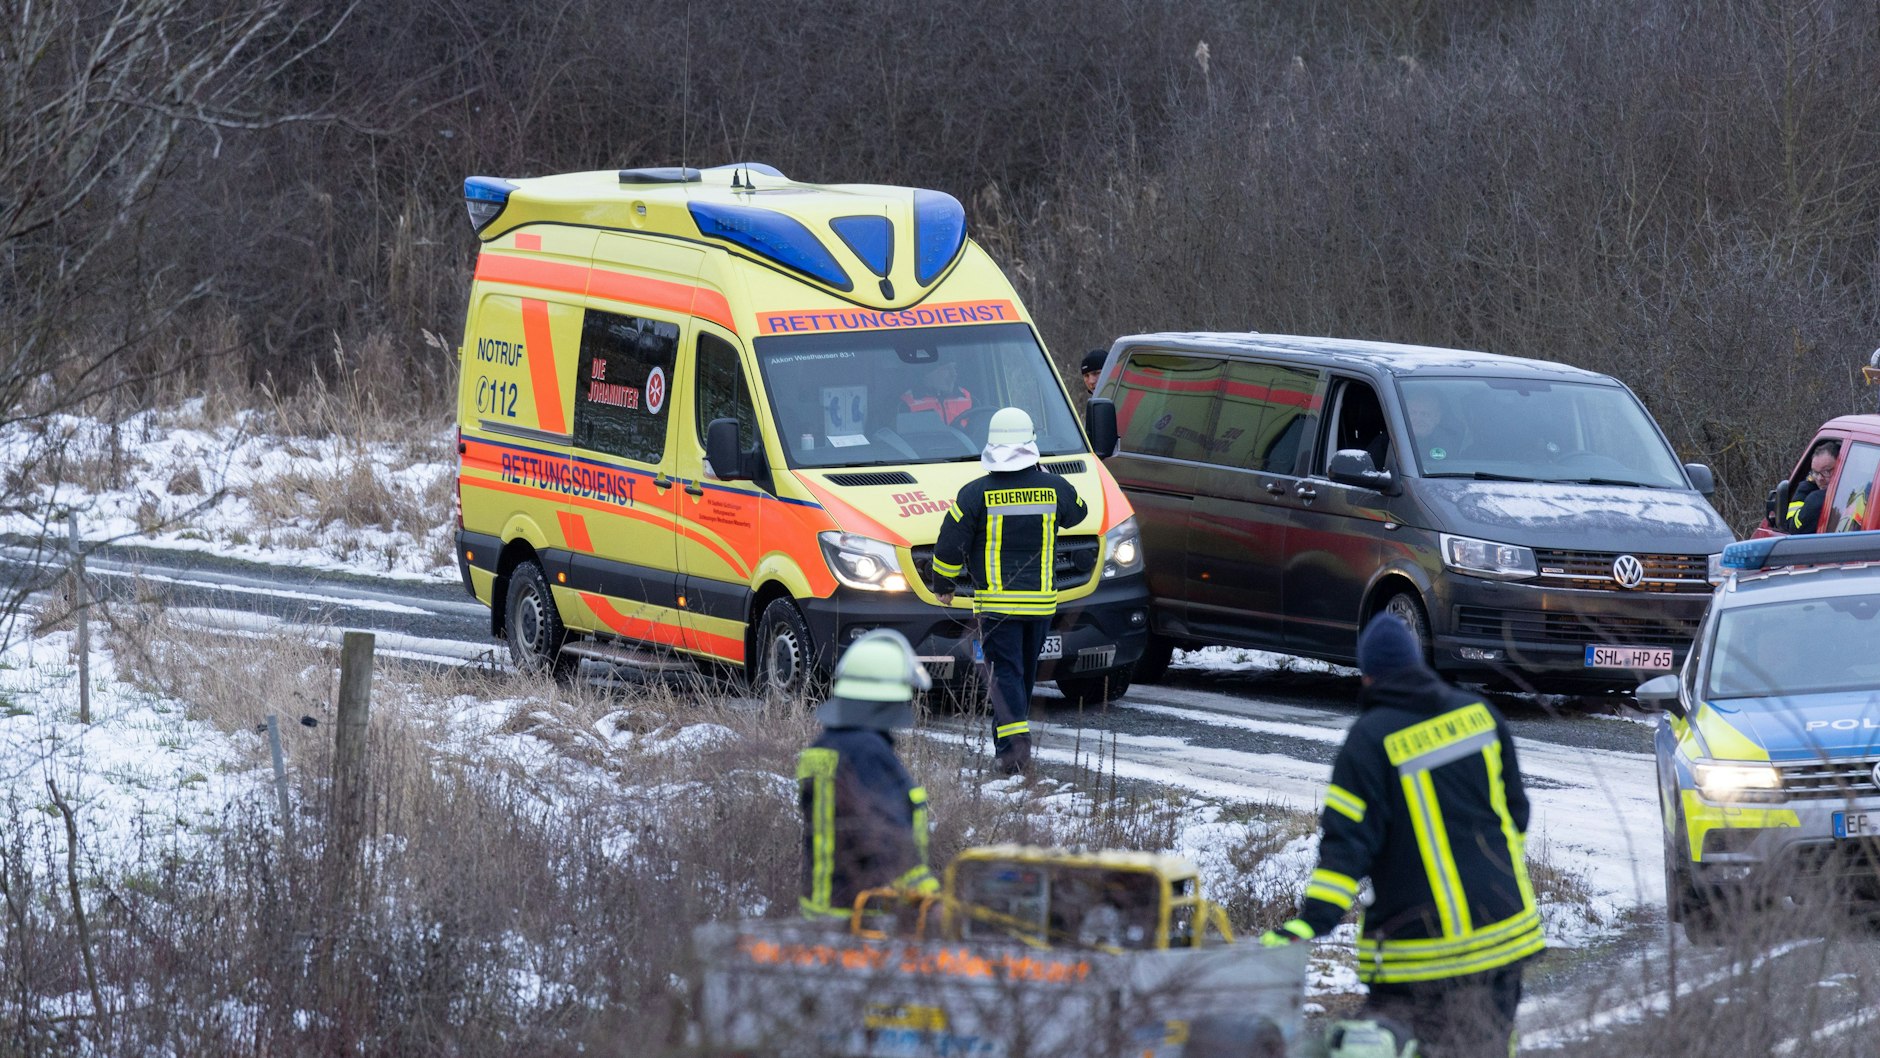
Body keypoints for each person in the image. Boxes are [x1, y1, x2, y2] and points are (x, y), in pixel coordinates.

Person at [1262, 614, 1543, 1058]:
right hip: (1506, 937)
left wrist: (1311, 922)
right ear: (1417, 663)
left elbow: (1346, 848)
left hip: (1419, 955)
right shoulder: (1480, 715)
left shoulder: (1369, 740)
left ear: (1368, 676)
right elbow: (1517, 815)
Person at [928, 408, 1087, 775]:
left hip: (998, 608)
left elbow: (949, 543)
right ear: (1031, 443)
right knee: (1023, 675)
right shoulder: (1054, 488)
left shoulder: (975, 493)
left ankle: (1014, 753)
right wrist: (1045, 476)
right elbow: (1078, 512)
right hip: (1041, 605)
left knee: (1007, 676)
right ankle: (1011, 748)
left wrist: (944, 585)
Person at [797, 629, 940, 919]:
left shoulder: (826, 747)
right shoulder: (866, 753)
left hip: (821, 915)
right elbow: (887, 840)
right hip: (866, 918)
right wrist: (931, 902)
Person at [1786, 440, 1839, 534]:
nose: (1819, 478)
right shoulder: (1806, 490)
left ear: (1841, 467)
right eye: (1815, 472)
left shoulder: (1855, 490)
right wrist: (1813, 500)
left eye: (1826, 471)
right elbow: (1793, 527)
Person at [900, 359, 973, 426]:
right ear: (928, 374)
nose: (954, 374)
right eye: (946, 369)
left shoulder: (966, 396)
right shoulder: (906, 403)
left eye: (954, 368)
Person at [1404, 388, 1465, 466]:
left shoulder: (1448, 444)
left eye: (1424, 414)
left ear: (1437, 418)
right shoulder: (1394, 440)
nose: (1418, 419)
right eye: (1413, 413)